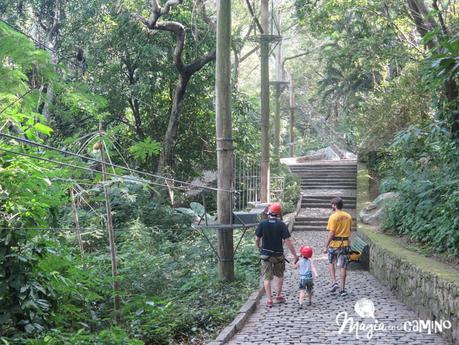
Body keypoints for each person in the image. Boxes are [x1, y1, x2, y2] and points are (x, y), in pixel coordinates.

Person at [256, 202, 298, 307]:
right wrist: (295, 255)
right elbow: (287, 241)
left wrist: (259, 248)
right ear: (279, 213)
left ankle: (269, 300)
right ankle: (278, 296)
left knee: (267, 278)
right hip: (278, 255)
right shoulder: (281, 225)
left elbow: (257, 238)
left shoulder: (263, 223)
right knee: (279, 275)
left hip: (265, 254)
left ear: (269, 212)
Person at [323, 197, 352, 297]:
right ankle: (342, 289)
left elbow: (331, 233)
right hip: (345, 244)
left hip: (334, 245)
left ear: (335, 206)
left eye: (332, 205)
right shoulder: (348, 216)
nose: (332, 206)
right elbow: (349, 230)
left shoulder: (333, 217)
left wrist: (326, 246)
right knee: (343, 266)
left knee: (331, 262)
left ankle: (334, 282)